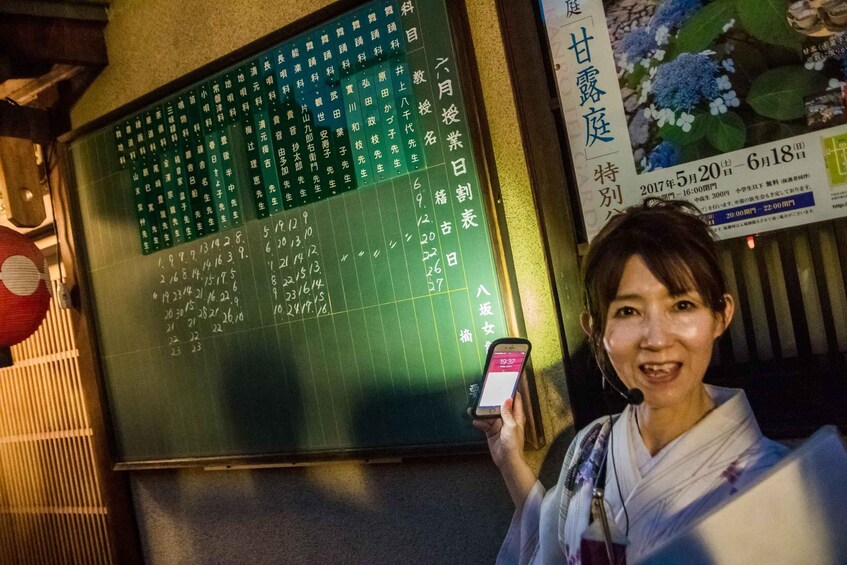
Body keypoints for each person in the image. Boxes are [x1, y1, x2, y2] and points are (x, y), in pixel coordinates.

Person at [474, 198, 787, 564]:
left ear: (721, 315)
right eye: (628, 311)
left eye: (682, 305)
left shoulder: (775, 481)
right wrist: (510, 458)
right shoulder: (591, 446)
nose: (656, 339)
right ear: (595, 329)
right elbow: (554, 545)